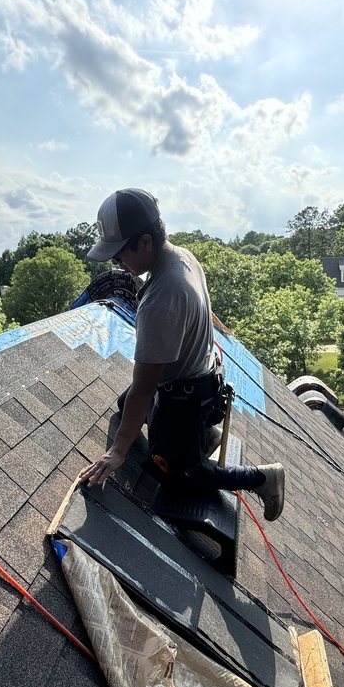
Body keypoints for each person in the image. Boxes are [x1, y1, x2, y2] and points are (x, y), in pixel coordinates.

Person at [77, 188, 285, 521]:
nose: (117, 263)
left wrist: (118, 451)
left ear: (145, 242)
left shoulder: (161, 297)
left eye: (119, 254)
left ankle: (263, 477)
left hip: (187, 396)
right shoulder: (182, 255)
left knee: (176, 474)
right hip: (202, 377)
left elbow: (145, 388)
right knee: (125, 407)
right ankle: (198, 436)